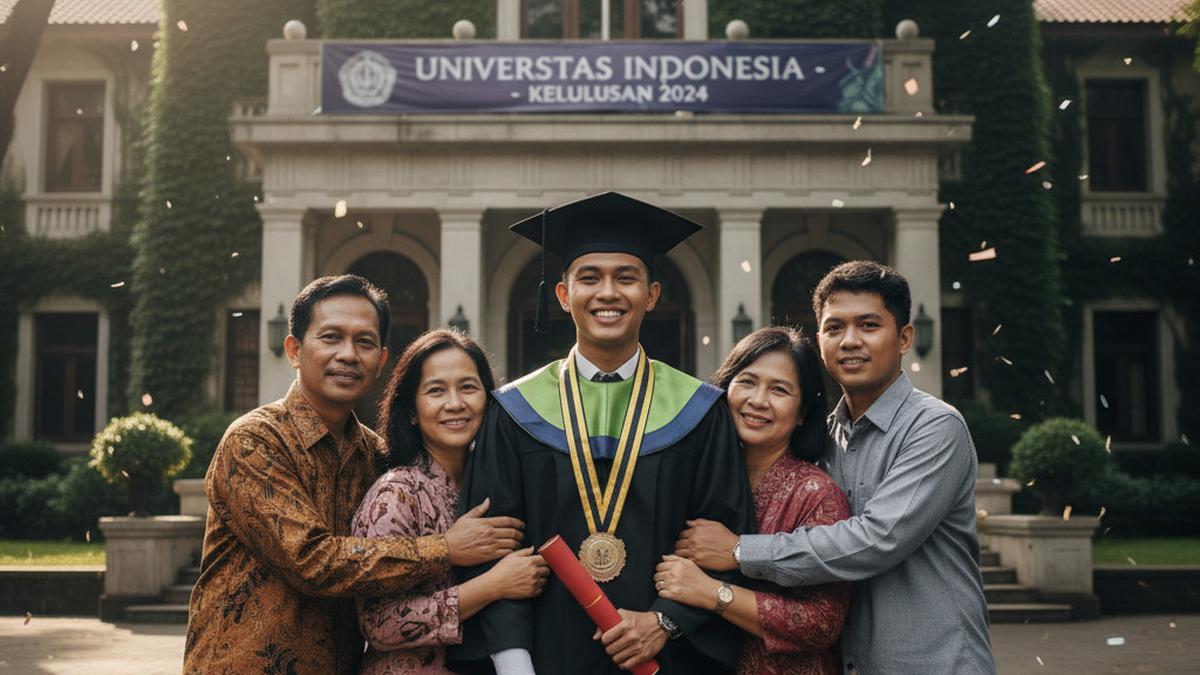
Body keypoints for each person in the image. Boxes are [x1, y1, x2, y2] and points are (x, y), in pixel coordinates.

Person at [447, 192, 755, 674]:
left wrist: (666, 621)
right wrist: (514, 665)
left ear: (651, 295)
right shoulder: (513, 410)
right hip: (543, 659)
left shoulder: (699, 410)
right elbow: (494, 548)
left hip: (665, 659)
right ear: (563, 295)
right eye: (589, 278)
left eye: (626, 277)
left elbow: (720, 539)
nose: (608, 293)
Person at [184, 275, 525, 674]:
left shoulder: (373, 453)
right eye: (331, 337)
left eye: (364, 342)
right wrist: (445, 548)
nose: (348, 354)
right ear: (294, 350)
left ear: (380, 361)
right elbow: (311, 562)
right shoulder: (255, 440)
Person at [675, 261, 995, 674]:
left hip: (934, 662)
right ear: (820, 340)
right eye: (834, 328)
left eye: (868, 325)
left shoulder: (934, 427)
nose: (850, 341)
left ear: (904, 338)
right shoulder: (824, 439)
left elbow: (879, 539)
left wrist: (739, 551)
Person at [352, 329, 550, 674]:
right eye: (436, 390)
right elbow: (379, 624)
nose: (455, 403)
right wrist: (492, 586)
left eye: (468, 387)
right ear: (411, 411)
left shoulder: (497, 484)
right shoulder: (396, 494)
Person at [655, 326, 851, 674]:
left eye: (779, 389)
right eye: (747, 382)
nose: (758, 400)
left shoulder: (816, 494)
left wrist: (712, 593)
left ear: (803, 411)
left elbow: (822, 622)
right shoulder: (696, 476)